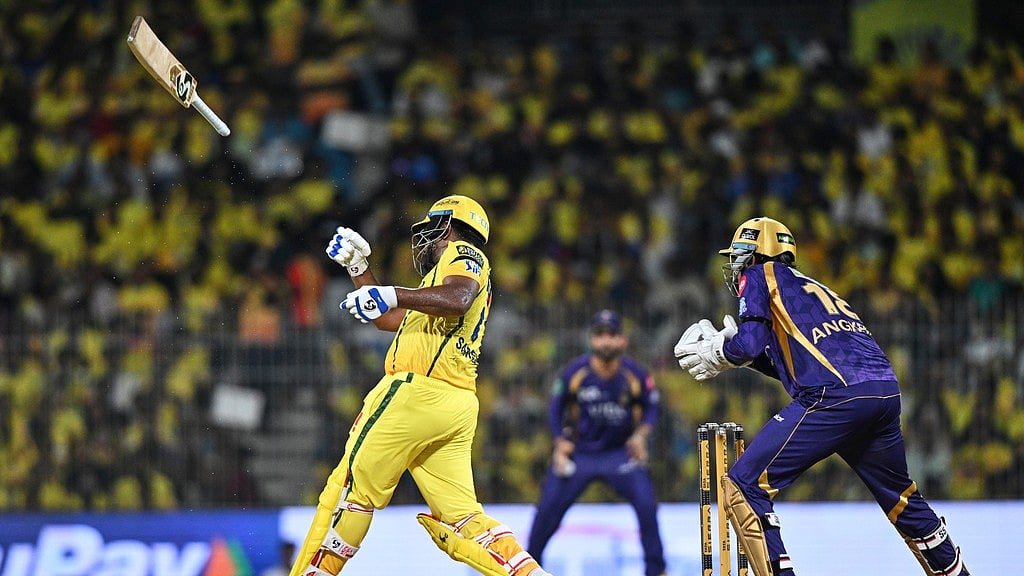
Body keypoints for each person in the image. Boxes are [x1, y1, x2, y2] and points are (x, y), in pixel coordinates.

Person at [673, 217, 969, 576]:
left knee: (744, 485)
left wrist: (723, 349)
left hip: (835, 397)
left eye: (738, 254)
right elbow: (790, 365)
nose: (734, 265)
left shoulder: (760, 275)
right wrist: (742, 356)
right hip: (884, 394)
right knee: (902, 500)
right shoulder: (818, 288)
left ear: (757, 252)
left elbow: (749, 344)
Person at [289, 195, 552, 576]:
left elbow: (458, 298)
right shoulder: (436, 288)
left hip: (417, 392)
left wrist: (392, 291)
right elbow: (387, 318)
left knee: (348, 491)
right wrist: (360, 268)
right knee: (463, 519)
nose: (425, 237)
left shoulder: (464, 253)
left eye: (432, 227)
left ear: (448, 227)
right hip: (453, 404)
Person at [527, 309, 667, 576]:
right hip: (580, 455)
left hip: (620, 454)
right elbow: (555, 408)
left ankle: (656, 571)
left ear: (622, 340)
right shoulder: (575, 372)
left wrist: (640, 436)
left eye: (612, 335)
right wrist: (559, 443)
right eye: (600, 335)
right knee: (547, 510)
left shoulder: (635, 374)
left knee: (647, 505)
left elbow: (652, 407)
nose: (606, 341)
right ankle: (527, 568)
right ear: (591, 340)